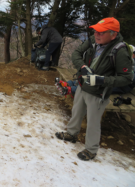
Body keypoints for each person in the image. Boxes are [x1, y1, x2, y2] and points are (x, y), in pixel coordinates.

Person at [55, 17, 133, 161]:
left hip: (99, 92)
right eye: (96, 31)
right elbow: (76, 54)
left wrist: (102, 80)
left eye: (101, 32)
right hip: (82, 85)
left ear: (113, 34)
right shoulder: (93, 40)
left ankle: (91, 150)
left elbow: (127, 78)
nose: (97, 34)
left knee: (93, 121)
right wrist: (82, 67)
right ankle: (72, 134)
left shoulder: (120, 51)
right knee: (76, 112)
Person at [57, 45, 135, 96]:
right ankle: (67, 84)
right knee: (87, 79)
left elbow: (128, 79)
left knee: (93, 87)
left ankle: (69, 89)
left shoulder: (129, 64)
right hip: (113, 82)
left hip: (120, 87)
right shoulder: (126, 61)